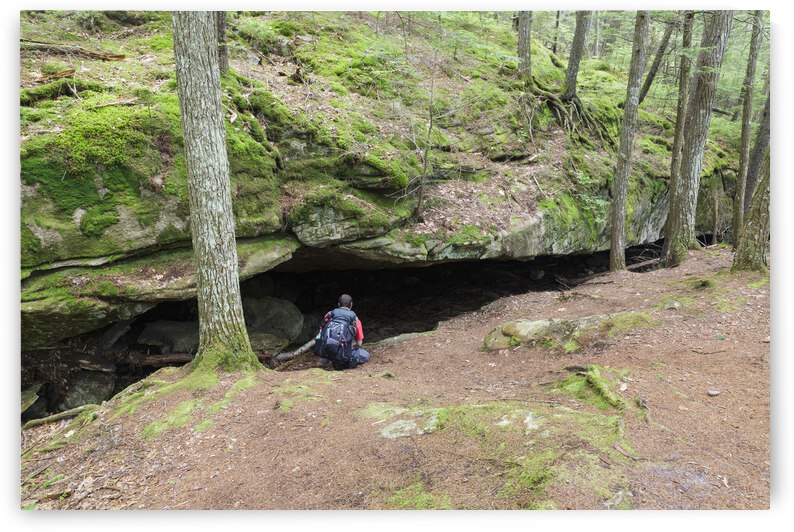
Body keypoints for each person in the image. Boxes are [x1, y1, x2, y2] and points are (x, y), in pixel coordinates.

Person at [316, 294, 370, 370]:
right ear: (351, 305)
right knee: (365, 355)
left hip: (326, 352)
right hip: (343, 354)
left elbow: (321, 331)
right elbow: (359, 343)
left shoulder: (330, 314)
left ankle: (327, 365)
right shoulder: (355, 319)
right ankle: (344, 364)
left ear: (338, 304)